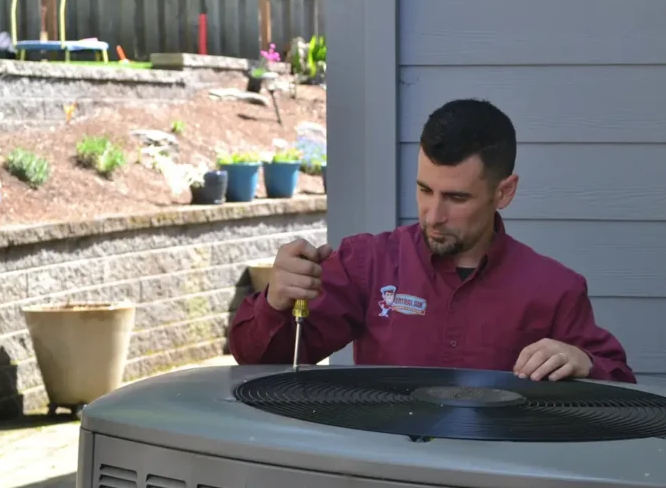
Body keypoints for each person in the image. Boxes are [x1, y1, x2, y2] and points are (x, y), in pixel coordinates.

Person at [228, 98, 636, 384]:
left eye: (456, 197)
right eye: (425, 190)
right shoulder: (367, 264)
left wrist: (583, 362)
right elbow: (259, 362)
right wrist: (275, 302)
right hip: (384, 487)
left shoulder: (554, 290)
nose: (433, 215)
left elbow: (621, 392)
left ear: (504, 192)